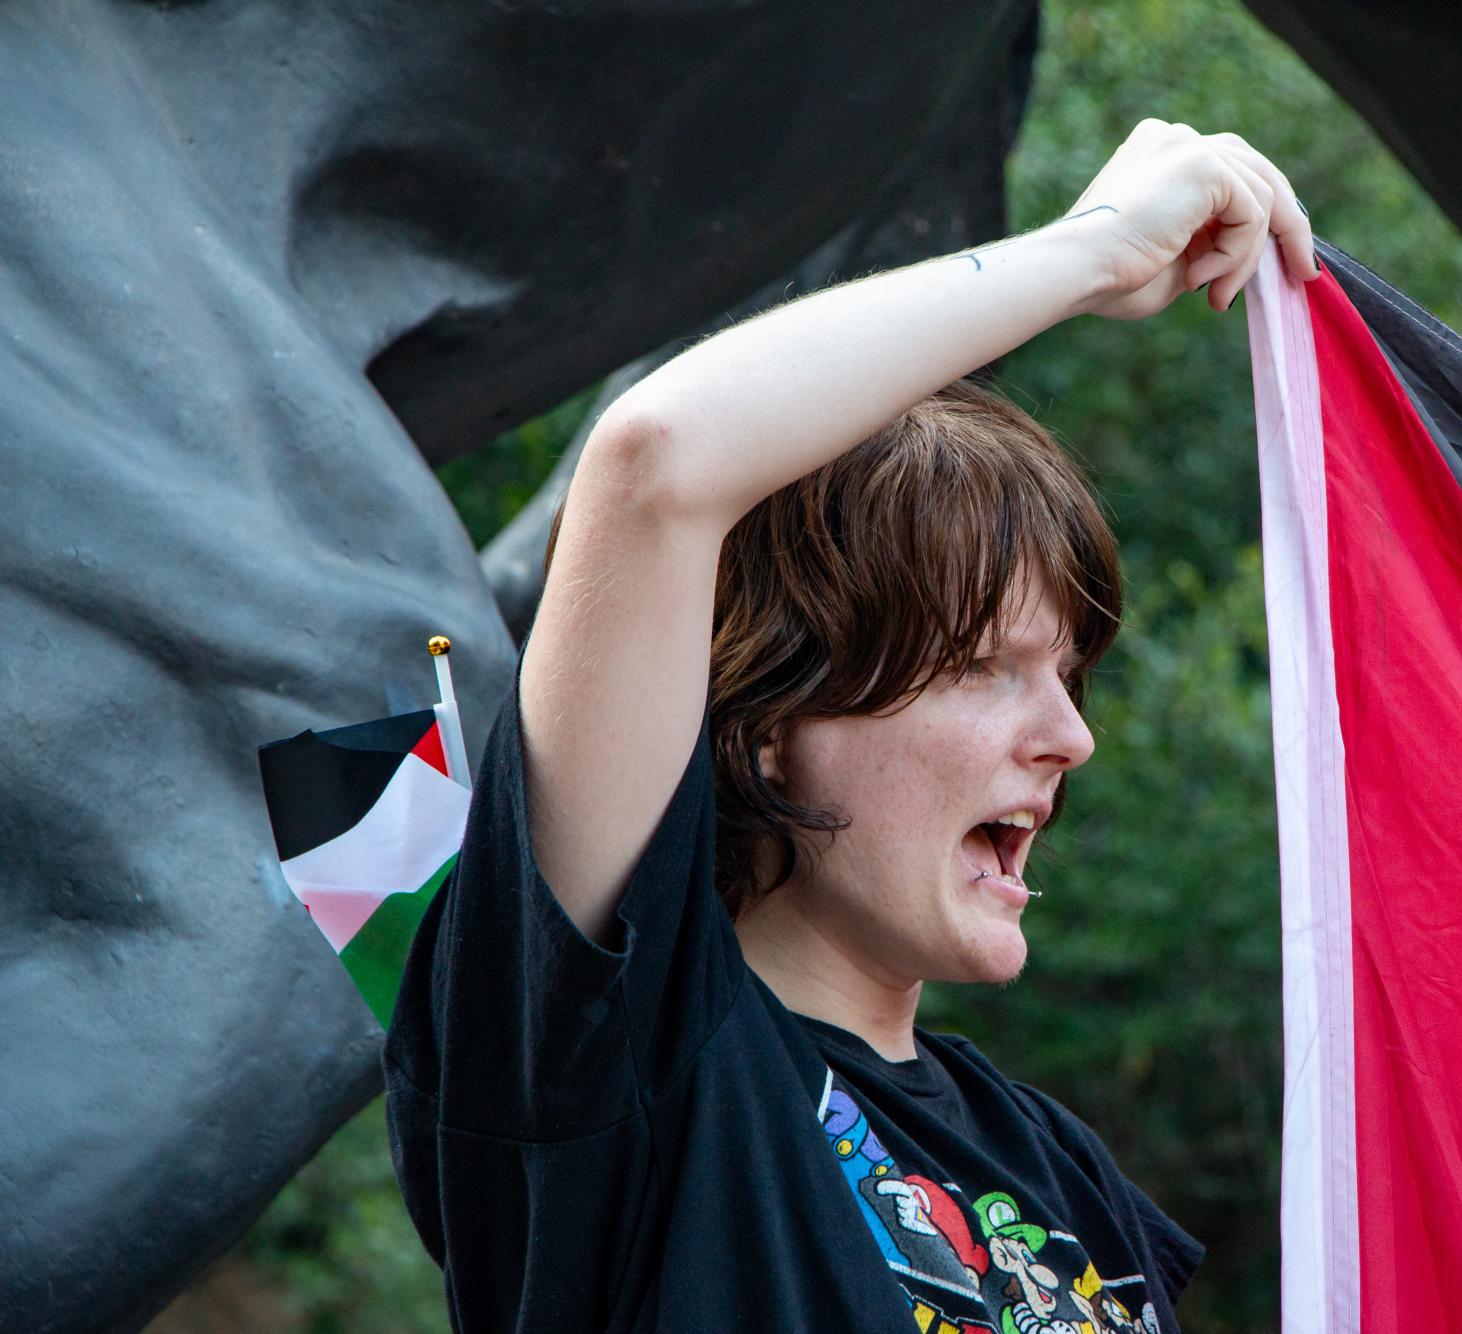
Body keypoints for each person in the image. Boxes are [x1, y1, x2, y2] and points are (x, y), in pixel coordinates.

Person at [384, 118, 1317, 1332]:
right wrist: (1089, 255)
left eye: (1068, 674)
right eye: (985, 667)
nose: (1070, 738)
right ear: (772, 721)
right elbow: (657, 461)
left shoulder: (1050, 1160)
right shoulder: (623, 1067)